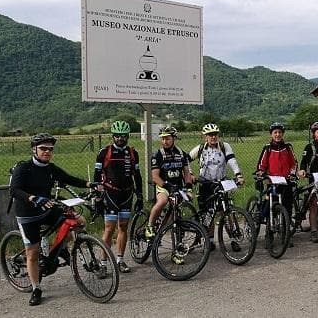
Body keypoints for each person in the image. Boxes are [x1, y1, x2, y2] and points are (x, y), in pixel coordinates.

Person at [10, 133, 97, 306]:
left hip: (46, 208)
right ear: (34, 149)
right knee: (32, 253)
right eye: (43, 148)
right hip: (28, 214)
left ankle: (60, 248)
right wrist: (33, 198)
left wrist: (90, 184)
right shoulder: (24, 168)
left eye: (50, 149)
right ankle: (36, 288)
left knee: (77, 222)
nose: (47, 152)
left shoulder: (51, 168)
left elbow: (69, 178)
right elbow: (15, 191)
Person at [93, 120, 143, 274]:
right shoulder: (104, 152)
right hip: (110, 194)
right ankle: (103, 263)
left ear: (127, 136)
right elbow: (96, 176)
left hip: (127, 194)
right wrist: (98, 197)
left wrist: (140, 195)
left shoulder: (133, 153)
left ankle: (120, 260)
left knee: (123, 227)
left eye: (123, 136)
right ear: (112, 136)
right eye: (117, 136)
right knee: (109, 229)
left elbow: (138, 176)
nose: (120, 139)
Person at [188, 123, 244, 251]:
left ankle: (233, 239)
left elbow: (231, 160)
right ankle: (211, 240)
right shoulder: (200, 148)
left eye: (215, 134)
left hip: (221, 182)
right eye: (210, 135)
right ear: (205, 137)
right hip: (205, 183)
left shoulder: (224, 146)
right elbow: (185, 160)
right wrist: (190, 174)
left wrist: (238, 174)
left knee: (226, 211)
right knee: (208, 213)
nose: (213, 137)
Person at [145, 126, 193, 263]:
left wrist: (189, 188)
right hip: (164, 187)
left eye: (168, 138)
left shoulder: (181, 154)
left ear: (174, 139)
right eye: (163, 139)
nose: (165, 141)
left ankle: (176, 253)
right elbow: (155, 177)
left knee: (175, 221)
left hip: (178, 188)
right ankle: (149, 226)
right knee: (162, 201)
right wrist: (167, 186)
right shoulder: (158, 154)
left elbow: (187, 173)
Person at [256, 122, 297, 245]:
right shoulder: (267, 148)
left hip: (286, 182)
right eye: (275, 133)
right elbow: (261, 165)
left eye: (280, 132)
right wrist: (261, 173)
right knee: (271, 208)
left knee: (287, 208)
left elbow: (294, 163)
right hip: (272, 182)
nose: (278, 135)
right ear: (271, 134)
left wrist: (292, 173)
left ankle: (285, 234)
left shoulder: (288, 147)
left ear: (283, 134)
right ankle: (269, 234)